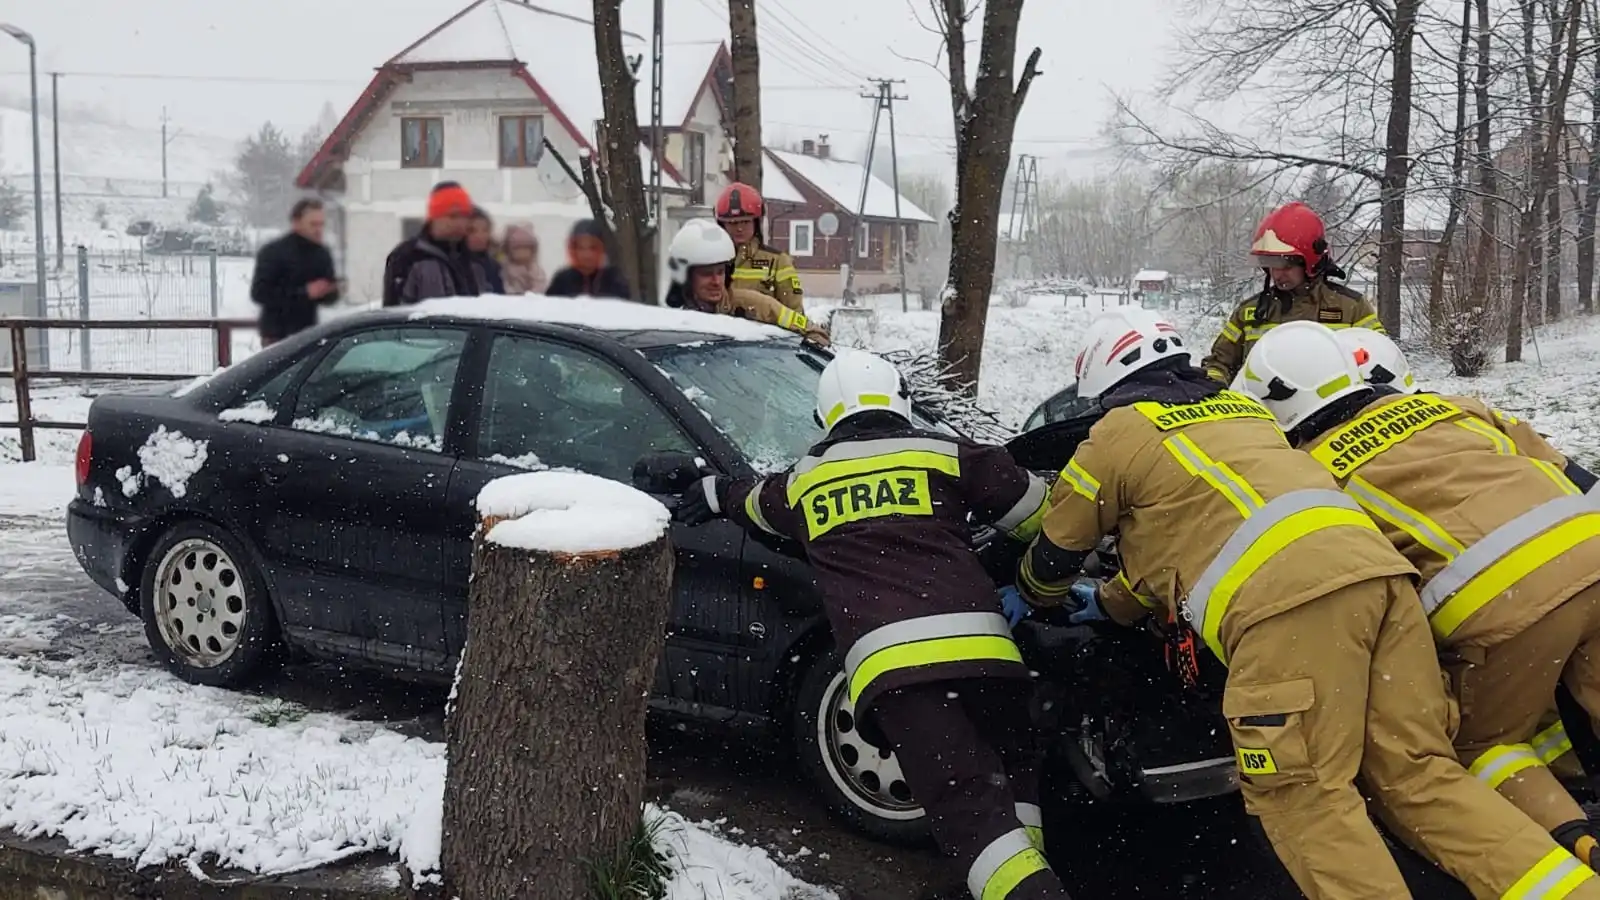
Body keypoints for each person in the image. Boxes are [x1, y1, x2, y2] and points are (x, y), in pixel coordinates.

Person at [1015, 307, 1600, 900]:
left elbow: (1061, 544)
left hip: (1284, 612)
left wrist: (1036, 596)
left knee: (1305, 796)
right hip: (1382, 584)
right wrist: (1111, 603)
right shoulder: (1247, 417)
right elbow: (1176, 550)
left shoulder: (1121, 430)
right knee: (1418, 774)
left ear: (1104, 389)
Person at [673, 349, 1071, 900]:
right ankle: (1030, 874)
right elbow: (1046, 517)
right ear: (902, 402)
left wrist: (709, 491)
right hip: (992, 663)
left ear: (824, 418)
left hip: (902, 681)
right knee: (1013, 769)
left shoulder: (808, 480)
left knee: (969, 817)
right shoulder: (947, 453)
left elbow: (752, 503)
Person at [1244, 321, 1600, 866]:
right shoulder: (1457, 407)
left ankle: (1579, 845)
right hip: (1592, 547)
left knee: (1482, 745)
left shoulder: (1307, 470)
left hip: (1501, 599)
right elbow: (1575, 475)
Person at [1200, 201, 1383, 384]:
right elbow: (1219, 364)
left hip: (1334, 409)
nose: (1277, 274)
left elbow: (1381, 360)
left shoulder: (1352, 308)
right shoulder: (1249, 313)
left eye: (1286, 265)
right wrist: (1213, 387)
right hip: (1263, 410)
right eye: (1271, 265)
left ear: (1310, 262)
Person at [663, 219, 829, 344]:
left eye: (720, 273)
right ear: (686, 278)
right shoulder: (670, 323)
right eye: (706, 274)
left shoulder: (753, 304)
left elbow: (811, 331)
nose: (716, 281)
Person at [249, 198, 339, 346]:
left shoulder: (322, 254)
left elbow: (331, 297)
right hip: (276, 335)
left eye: (321, 224)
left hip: (310, 335)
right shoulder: (273, 252)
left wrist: (329, 290)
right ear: (296, 223)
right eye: (313, 224)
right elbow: (259, 293)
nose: (318, 230)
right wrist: (304, 293)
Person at [383, 182, 482, 306]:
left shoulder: (470, 259)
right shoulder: (408, 257)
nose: (460, 223)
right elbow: (392, 313)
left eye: (465, 216)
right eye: (453, 216)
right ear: (434, 218)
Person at [714, 182, 804, 312]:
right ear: (723, 225)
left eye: (745, 222)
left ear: (756, 223)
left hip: (763, 332)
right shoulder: (712, 260)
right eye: (733, 223)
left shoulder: (778, 262)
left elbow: (794, 311)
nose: (739, 228)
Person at [544, 219, 631, 299]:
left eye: (592, 248)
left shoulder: (614, 279)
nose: (586, 254)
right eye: (580, 248)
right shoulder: (562, 280)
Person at [500, 223, 548, 295]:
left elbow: (541, 287)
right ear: (509, 250)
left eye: (526, 248)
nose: (522, 252)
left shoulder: (536, 271)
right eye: (517, 248)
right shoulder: (504, 269)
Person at [467, 207, 505, 294]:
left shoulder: (495, 265)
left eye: (485, 230)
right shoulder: (455, 265)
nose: (480, 236)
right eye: (472, 231)